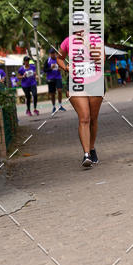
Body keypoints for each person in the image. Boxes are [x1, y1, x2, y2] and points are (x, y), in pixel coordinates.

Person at [57, 14, 105, 168]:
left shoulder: (95, 40)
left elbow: (101, 59)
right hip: (77, 84)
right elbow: (59, 57)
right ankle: (86, 154)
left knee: (93, 118)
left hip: (95, 82)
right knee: (84, 117)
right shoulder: (67, 41)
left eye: (81, 24)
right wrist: (65, 67)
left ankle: (91, 148)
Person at [44, 48, 66, 113]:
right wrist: (50, 68)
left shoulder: (58, 60)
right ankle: (53, 107)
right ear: (50, 54)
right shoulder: (47, 60)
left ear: (55, 53)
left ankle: (60, 105)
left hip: (58, 77)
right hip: (50, 78)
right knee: (52, 93)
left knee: (60, 90)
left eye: (54, 53)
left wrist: (60, 68)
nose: (53, 54)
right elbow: (44, 70)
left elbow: (63, 67)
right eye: (51, 53)